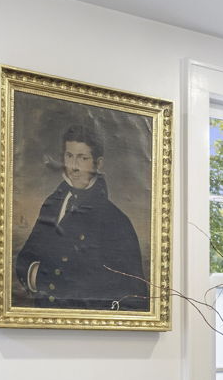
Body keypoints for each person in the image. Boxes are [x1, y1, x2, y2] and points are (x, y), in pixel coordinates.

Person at [12, 125, 148, 310]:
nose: (73, 167)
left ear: (98, 164)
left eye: (82, 158)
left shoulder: (115, 221)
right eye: (69, 156)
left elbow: (131, 296)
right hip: (43, 323)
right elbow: (26, 257)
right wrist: (36, 276)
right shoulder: (52, 203)